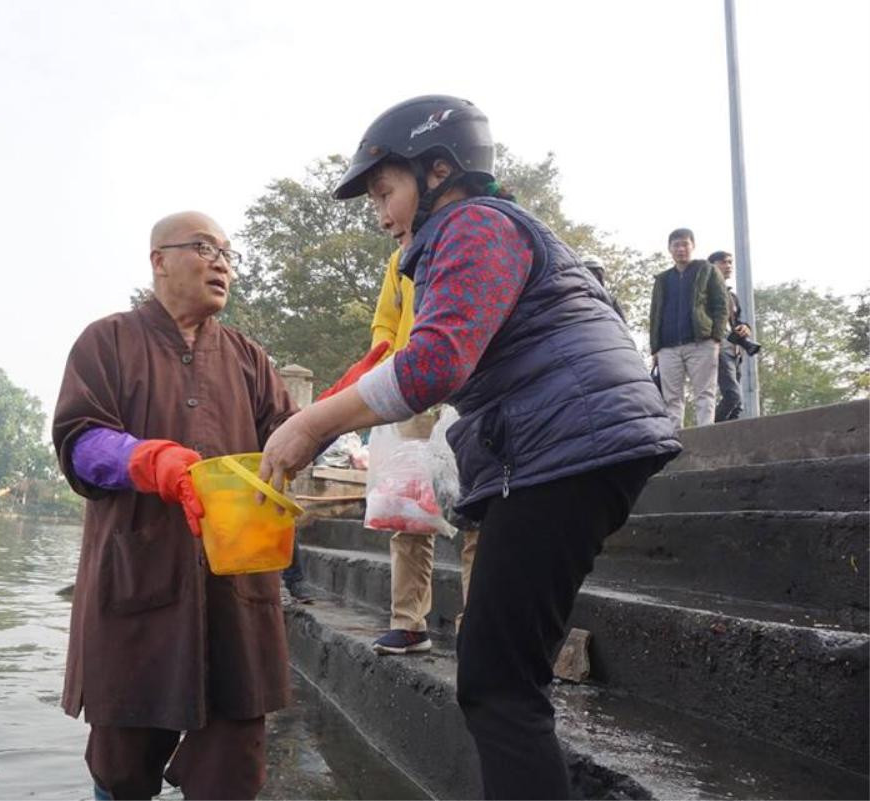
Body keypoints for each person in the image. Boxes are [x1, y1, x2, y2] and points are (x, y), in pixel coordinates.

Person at [257, 95, 681, 799]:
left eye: (385, 191)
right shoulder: (480, 232)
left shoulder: (474, 223)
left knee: (496, 682)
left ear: (439, 170)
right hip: (569, 449)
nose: (380, 214)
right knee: (501, 672)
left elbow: (434, 363)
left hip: (564, 453)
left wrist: (313, 422)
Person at [51, 211, 297, 800]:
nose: (222, 262)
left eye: (229, 254)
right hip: (138, 583)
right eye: (205, 247)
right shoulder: (106, 342)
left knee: (234, 766)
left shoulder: (248, 358)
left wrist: (339, 410)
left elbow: (290, 440)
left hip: (234, 590)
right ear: (159, 260)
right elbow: (79, 442)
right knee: (121, 765)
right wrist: (151, 461)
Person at [363, 247, 479, 655]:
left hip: (471, 391)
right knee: (407, 509)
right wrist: (389, 363)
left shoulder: (471, 239)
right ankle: (409, 623)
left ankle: (479, 627)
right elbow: (385, 321)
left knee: (476, 513)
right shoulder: (401, 258)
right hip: (413, 389)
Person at [649, 228, 729, 428]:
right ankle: (676, 441)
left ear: (693, 246)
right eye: (676, 245)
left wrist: (716, 338)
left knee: (704, 393)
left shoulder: (707, 270)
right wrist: (655, 347)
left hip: (701, 342)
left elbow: (721, 305)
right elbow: (655, 313)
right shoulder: (663, 279)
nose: (681, 249)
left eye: (685, 244)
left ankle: (706, 435)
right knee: (671, 398)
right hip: (668, 346)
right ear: (669, 249)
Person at [708, 250, 753, 421]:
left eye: (730, 262)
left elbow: (737, 321)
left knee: (738, 406)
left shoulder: (732, 296)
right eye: (723, 262)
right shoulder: (704, 293)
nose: (728, 266)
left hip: (735, 351)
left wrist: (745, 328)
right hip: (717, 348)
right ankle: (708, 436)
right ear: (712, 266)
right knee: (733, 396)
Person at [582, 255, 627, 323]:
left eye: (595, 274)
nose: (592, 277)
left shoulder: (611, 300)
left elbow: (623, 324)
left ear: (600, 276)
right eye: (588, 274)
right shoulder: (571, 297)